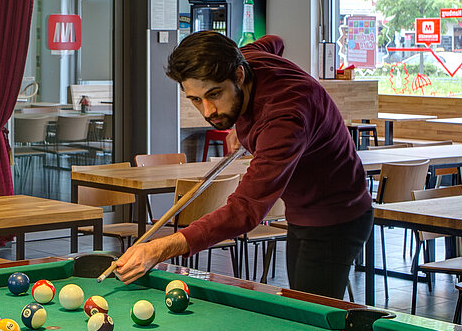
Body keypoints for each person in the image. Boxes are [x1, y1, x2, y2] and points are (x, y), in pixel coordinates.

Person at [114, 31, 373, 298]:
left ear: (239, 76)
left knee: (314, 320)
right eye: (195, 99)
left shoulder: (285, 117)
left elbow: (245, 210)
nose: (208, 111)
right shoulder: (246, 57)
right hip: (303, 212)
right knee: (302, 307)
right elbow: (275, 41)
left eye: (214, 95)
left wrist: (160, 249)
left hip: (336, 216)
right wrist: (242, 120)